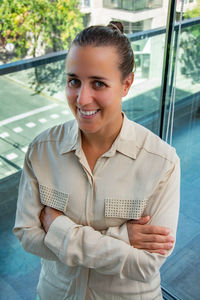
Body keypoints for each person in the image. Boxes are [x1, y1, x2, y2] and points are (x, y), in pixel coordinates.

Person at [13, 21, 180, 300]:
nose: (82, 98)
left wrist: (58, 228)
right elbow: (27, 235)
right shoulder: (42, 150)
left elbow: (147, 264)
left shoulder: (162, 162)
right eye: (74, 81)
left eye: (98, 83)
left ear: (126, 84)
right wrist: (123, 238)